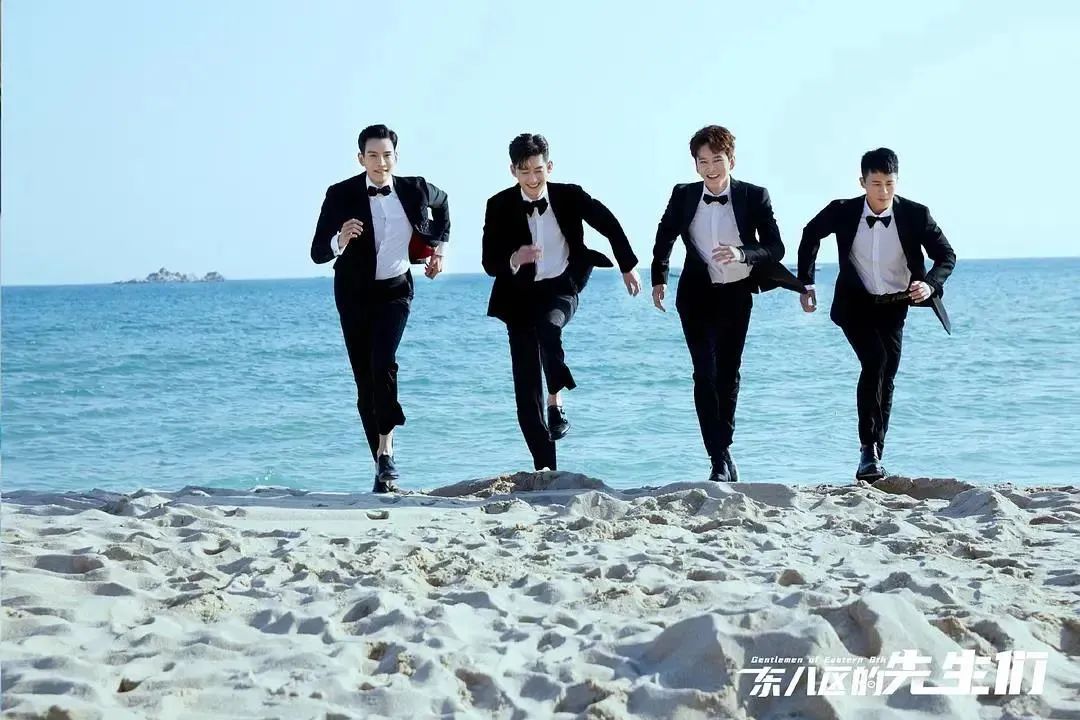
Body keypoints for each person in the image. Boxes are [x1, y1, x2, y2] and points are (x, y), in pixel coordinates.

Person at [651, 125, 805, 483]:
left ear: (731, 160)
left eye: (717, 160)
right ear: (695, 164)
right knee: (703, 373)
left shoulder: (754, 196)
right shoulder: (683, 195)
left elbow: (776, 247)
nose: (711, 168)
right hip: (695, 294)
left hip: (736, 294)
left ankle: (724, 448)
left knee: (728, 374)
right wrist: (659, 277)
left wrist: (742, 253)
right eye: (703, 161)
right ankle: (717, 458)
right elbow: (665, 234)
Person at [482, 133, 640, 472]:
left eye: (538, 170)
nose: (532, 179)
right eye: (525, 171)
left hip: (561, 289)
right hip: (518, 300)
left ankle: (556, 403)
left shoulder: (569, 195)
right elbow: (489, 262)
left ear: (549, 167)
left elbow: (608, 223)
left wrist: (627, 266)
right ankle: (546, 470)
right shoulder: (498, 205)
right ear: (513, 171)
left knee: (549, 327)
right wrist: (514, 258)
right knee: (526, 395)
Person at [797, 147, 956, 482]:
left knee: (887, 377)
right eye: (876, 183)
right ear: (863, 182)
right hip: (854, 304)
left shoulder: (916, 215)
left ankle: (874, 456)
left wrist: (929, 285)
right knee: (875, 362)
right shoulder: (843, 210)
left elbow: (946, 256)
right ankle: (867, 449)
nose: (883, 191)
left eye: (889, 183)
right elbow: (811, 233)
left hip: (895, 305)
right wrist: (806, 283)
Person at [309, 124, 450, 493]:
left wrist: (439, 251)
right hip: (353, 295)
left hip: (395, 292)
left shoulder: (416, 189)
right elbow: (317, 252)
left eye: (387, 155)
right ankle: (380, 469)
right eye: (372, 155)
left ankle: (387, 451)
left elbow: (443, 204)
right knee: (365, 385)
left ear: (395, 157)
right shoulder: (340, 194)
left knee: (383, 363)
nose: (380, 162)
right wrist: (339, 240)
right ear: (361, 159)